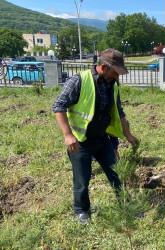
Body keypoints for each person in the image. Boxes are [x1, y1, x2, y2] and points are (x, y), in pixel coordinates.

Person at [52, 48, 137, 224]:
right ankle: (82, 210)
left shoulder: (113, 84)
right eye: (115, 72)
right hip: (81, 141)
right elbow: (58, 106)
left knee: (117, 174)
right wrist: (68, 135)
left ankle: (126, 205)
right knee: (82, 180)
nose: (117, 76)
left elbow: (119, 110)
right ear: (103, 67)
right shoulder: (79, 80)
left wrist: (127, 134)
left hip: (102, 139)